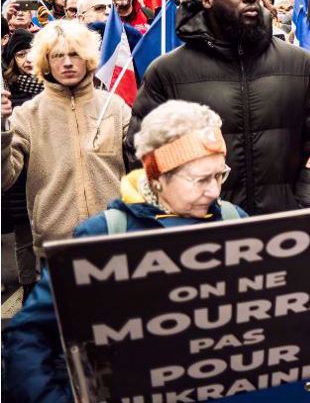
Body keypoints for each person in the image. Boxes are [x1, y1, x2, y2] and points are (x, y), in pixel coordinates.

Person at [2, 100, 247, 403]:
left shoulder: (234, 219)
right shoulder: (103, 235)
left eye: (219, 175)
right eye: (200, 179)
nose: (213, 192)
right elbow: (30, 336)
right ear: (157, 177)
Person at [129, 0, 310, 215]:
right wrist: (186, 211)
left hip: (287, 228)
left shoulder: (302, 65)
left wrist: (307, 203)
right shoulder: (167, 73)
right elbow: (142, 152)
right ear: (207, 0)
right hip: (203, 234)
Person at [2, 20, 131, 261]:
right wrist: (1, 129)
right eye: (58, 55)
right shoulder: (27, 115)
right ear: (46, 62)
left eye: (75, 54)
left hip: (115, 237)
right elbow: (4, 178)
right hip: (58, 247)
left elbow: (144, 163)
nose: (68, 62)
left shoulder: (115, 106)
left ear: (88, 58)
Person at [1, 29, 42, 298]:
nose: (27, 59)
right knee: (25, 238)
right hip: (20, 175)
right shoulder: (8, 93)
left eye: (31, 51)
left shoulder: (50, 88)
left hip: (44, 170)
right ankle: (29, 287)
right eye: (20, 53)